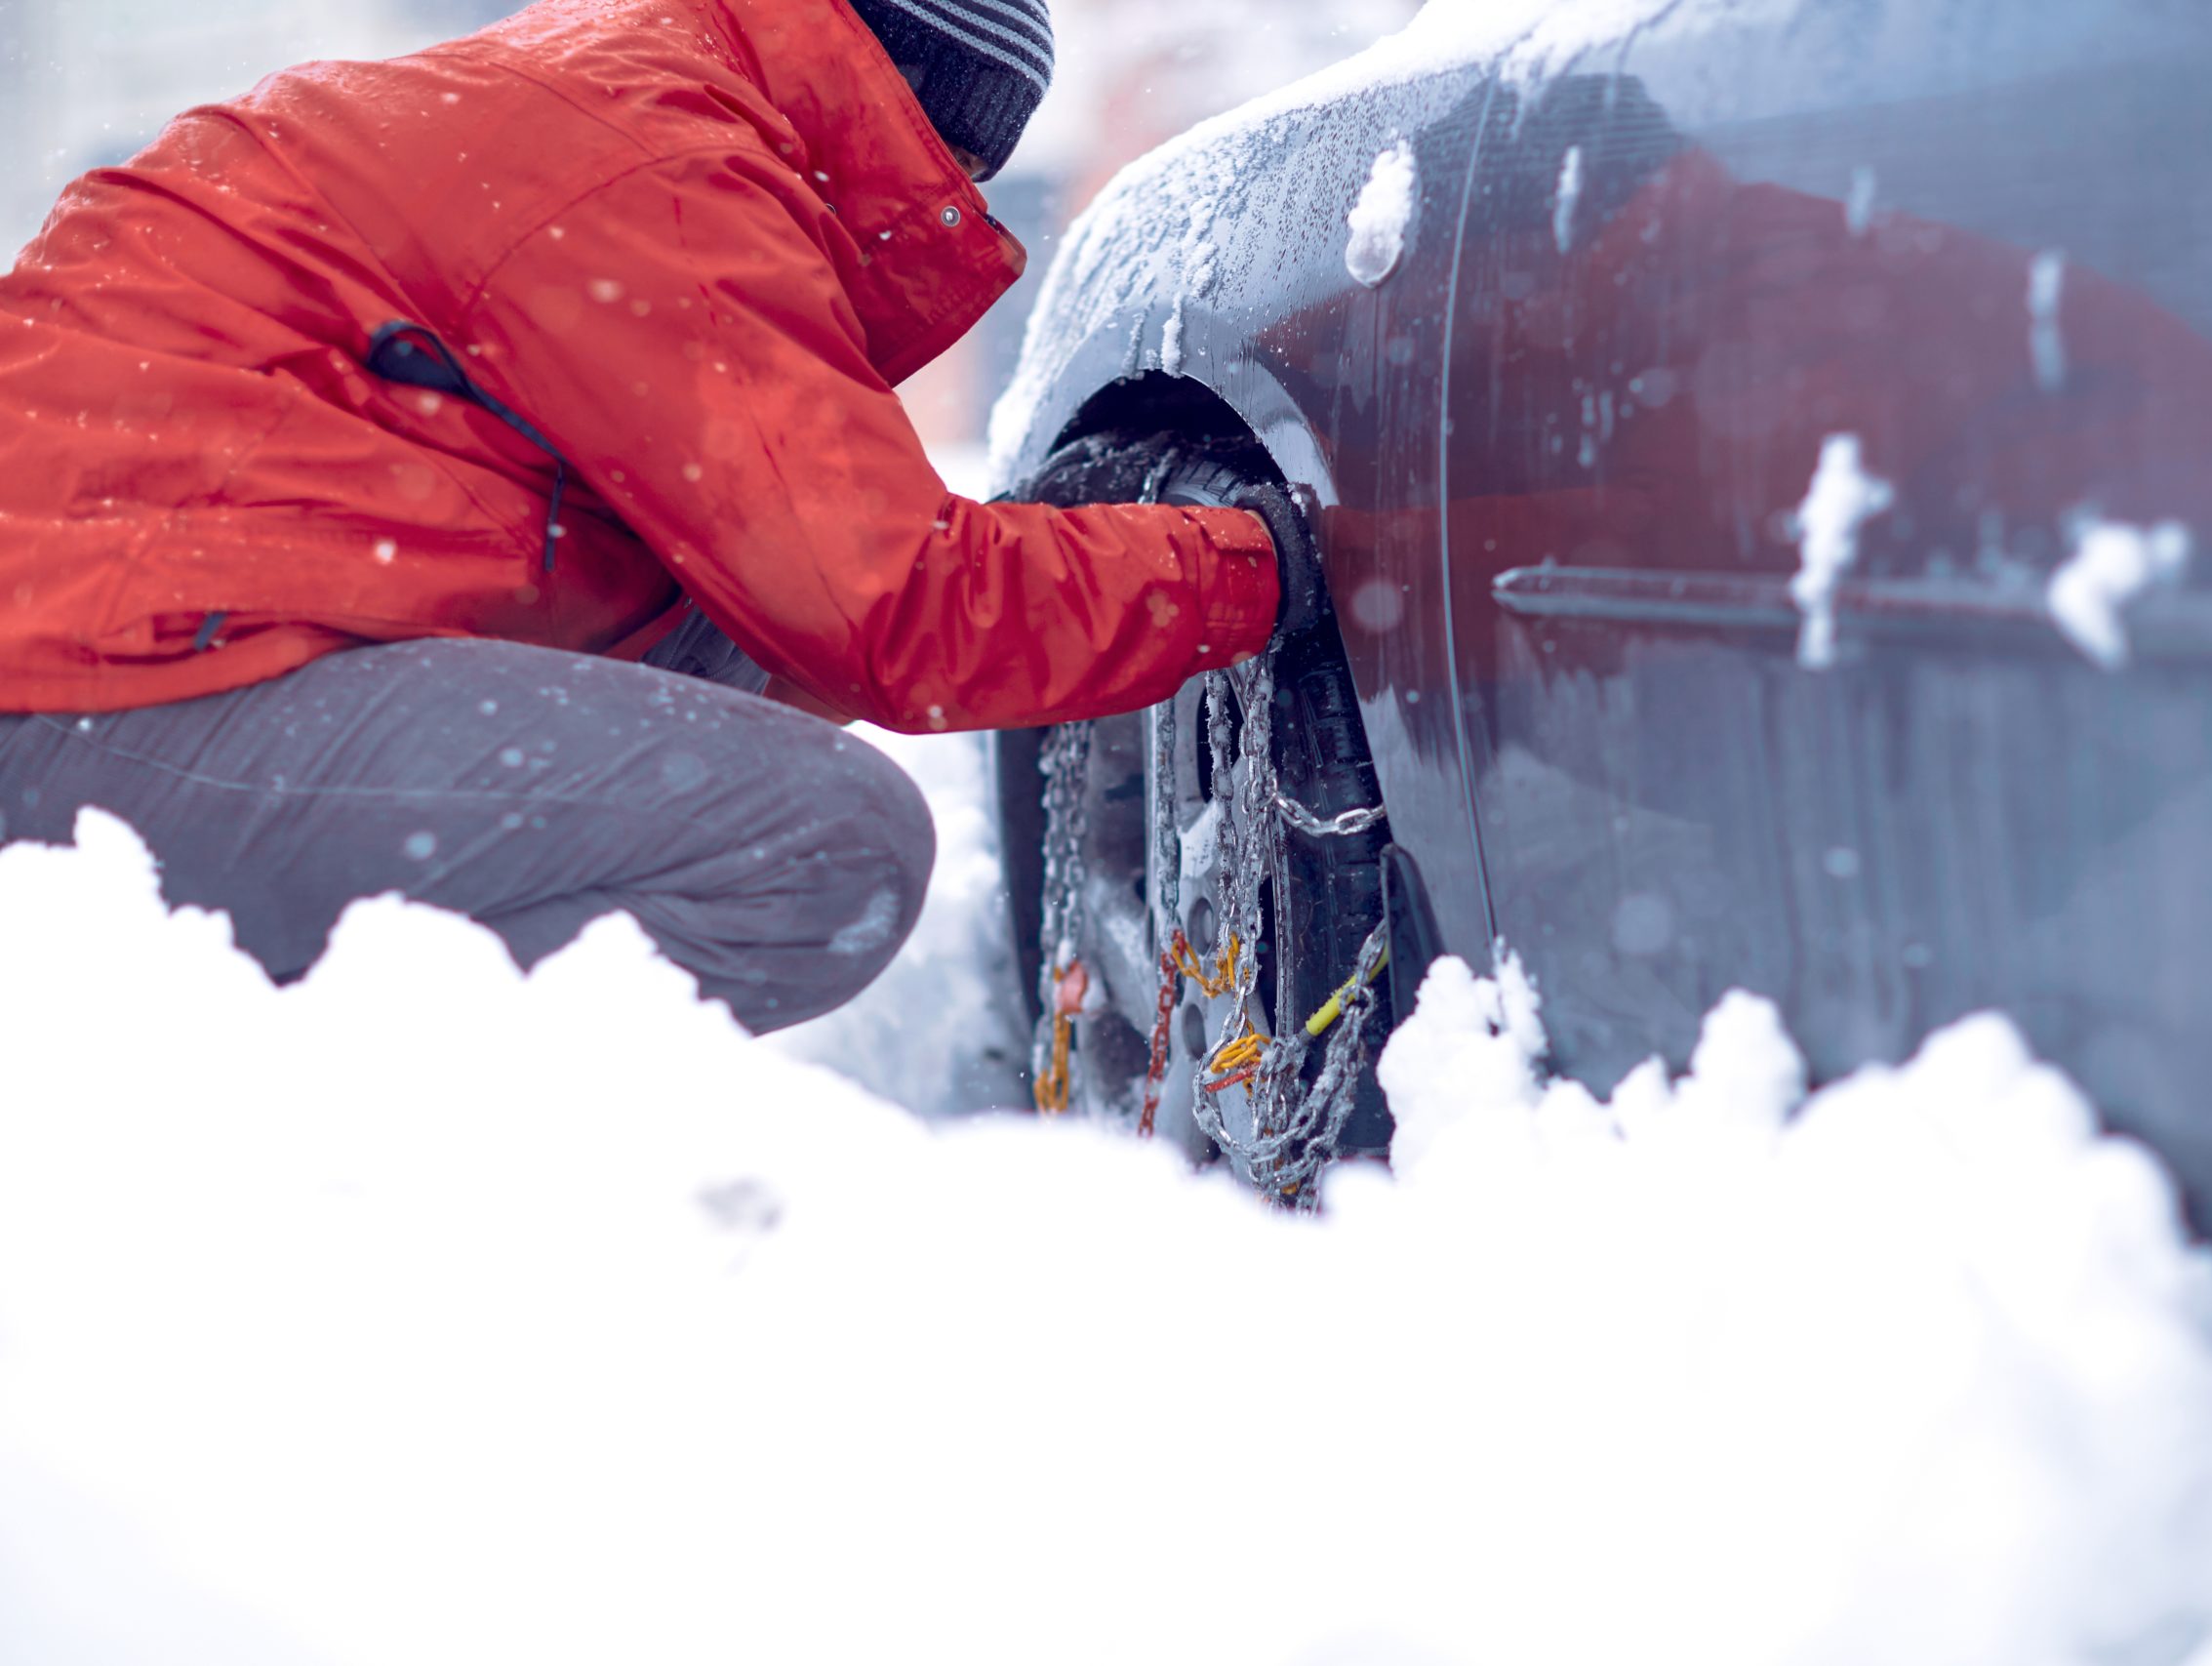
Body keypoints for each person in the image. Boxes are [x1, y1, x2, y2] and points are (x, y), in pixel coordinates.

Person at [0, 0, 1324, 1032]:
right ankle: (321, 1136)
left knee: (735, 647)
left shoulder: (601, 95)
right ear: (916, 116)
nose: (961, 205)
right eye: (965, 166)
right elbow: (896, 610)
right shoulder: (662, 165)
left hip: (115, 658)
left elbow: (803, 608)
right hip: (91, 692)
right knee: (824, 850)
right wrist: (1274, 565)